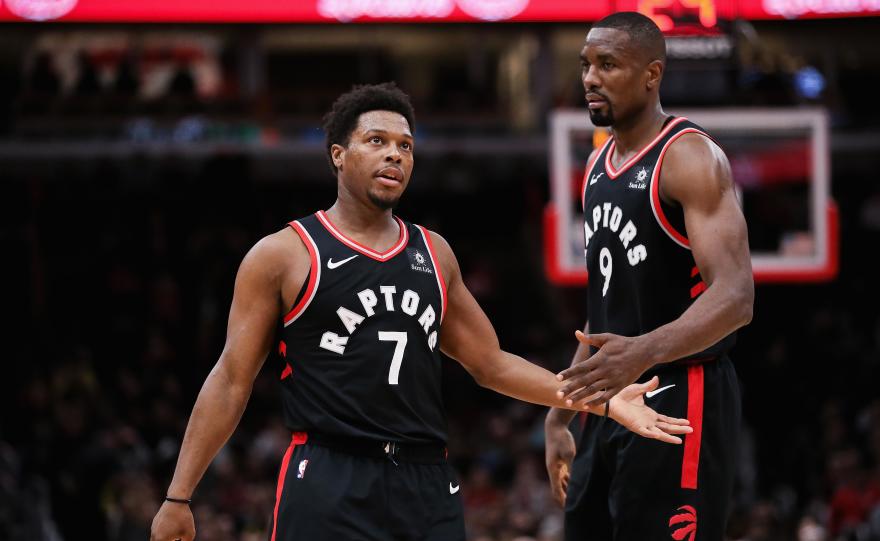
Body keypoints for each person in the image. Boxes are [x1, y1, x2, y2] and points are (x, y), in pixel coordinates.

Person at [149, 82, 692, 541]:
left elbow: (492, 364)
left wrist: (599, 401)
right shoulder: (283, 254)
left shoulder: (433, 253)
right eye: (377, 141)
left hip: (425, 477)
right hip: (329, 474)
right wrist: (179, 494)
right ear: (338, 154)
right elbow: (230, 380)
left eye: (406, 146)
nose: (395, 154)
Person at [543, 12, 755, 541]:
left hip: (683, 391)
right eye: (586, 65)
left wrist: (645, 350)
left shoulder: (689, 157)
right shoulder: (596, 168)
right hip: (610, 400)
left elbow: (736, 296)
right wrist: (558, 414)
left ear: (651, 74)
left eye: (608, 65)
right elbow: (603, 312)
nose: (590, 78)